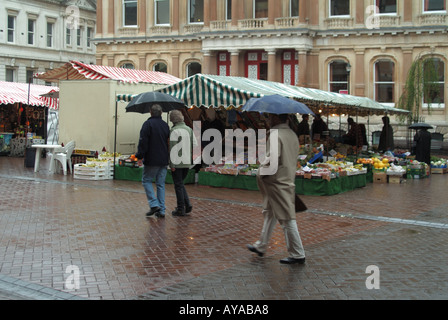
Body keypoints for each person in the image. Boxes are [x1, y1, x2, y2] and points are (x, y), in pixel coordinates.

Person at [247, 113, 306, 265]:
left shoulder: (275, 135)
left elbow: (271, 161)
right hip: (286, 179)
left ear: (275, 118)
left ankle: (297, 253)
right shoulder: (292, 134)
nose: (267, 120)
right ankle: (261, 245)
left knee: (286, 218)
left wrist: (261, 172)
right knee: (270, 214)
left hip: (276, 181)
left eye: (269, 117)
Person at [135, 104, 170, 218]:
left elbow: (143, 142)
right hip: (164, 159)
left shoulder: (148, 124)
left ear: (150, 112)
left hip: (152, 158)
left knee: (146, 180)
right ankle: (162, 210)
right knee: (160, 184)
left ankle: (154, 204)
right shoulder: (165, 125)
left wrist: (140, 156)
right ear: (161, 113)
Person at [169, 110, 195, 216]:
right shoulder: (189, 129)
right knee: (180, 183)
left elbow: (172, 149)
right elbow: (194, 145)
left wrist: (172, 164)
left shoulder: (174, 130)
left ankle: (181, 208)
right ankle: (187, 204)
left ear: (173, 120)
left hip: (177, 162)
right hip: (187, 161)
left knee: (178, 185)